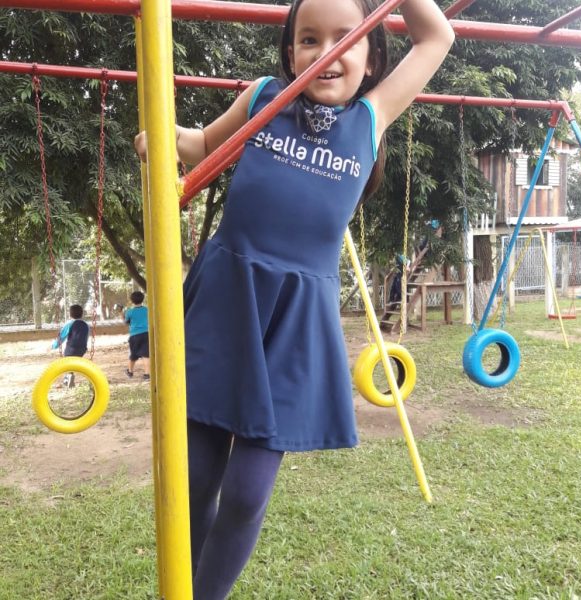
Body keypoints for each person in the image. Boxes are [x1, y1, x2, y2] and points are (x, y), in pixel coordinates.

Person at [135, 0, 453, 597]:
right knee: (194, 477)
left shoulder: (372, 116)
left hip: (295, 320)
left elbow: (436, 36)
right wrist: (164, 138)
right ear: (290, 53)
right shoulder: (264, 98)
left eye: (345, 38)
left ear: (370, 56)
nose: (327, 53)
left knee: (248, 492)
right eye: (309, 39)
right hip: (227, 301)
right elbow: (202, 145)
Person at [52, 304, 89, 387]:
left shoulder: (70, 324)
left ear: (70, 314)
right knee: (72, 362)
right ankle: (69, 377)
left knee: (67, 363)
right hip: (82, 349)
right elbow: (86, 337)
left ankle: (68, 378)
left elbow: (62, 337)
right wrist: (84, 347)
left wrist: (53, 346)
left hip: (71, 348)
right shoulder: (86, 325)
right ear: (82, 314)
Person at [122, 290, 150, 380]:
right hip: (146, 334)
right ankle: (147, 374)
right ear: (143, 299)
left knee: (133, 354)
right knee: (145, 355)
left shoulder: (130, 311)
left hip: (134, 335)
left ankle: (130, 372)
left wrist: (122, 315)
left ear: (132, 300)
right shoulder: (147, 310)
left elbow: (126, 322)